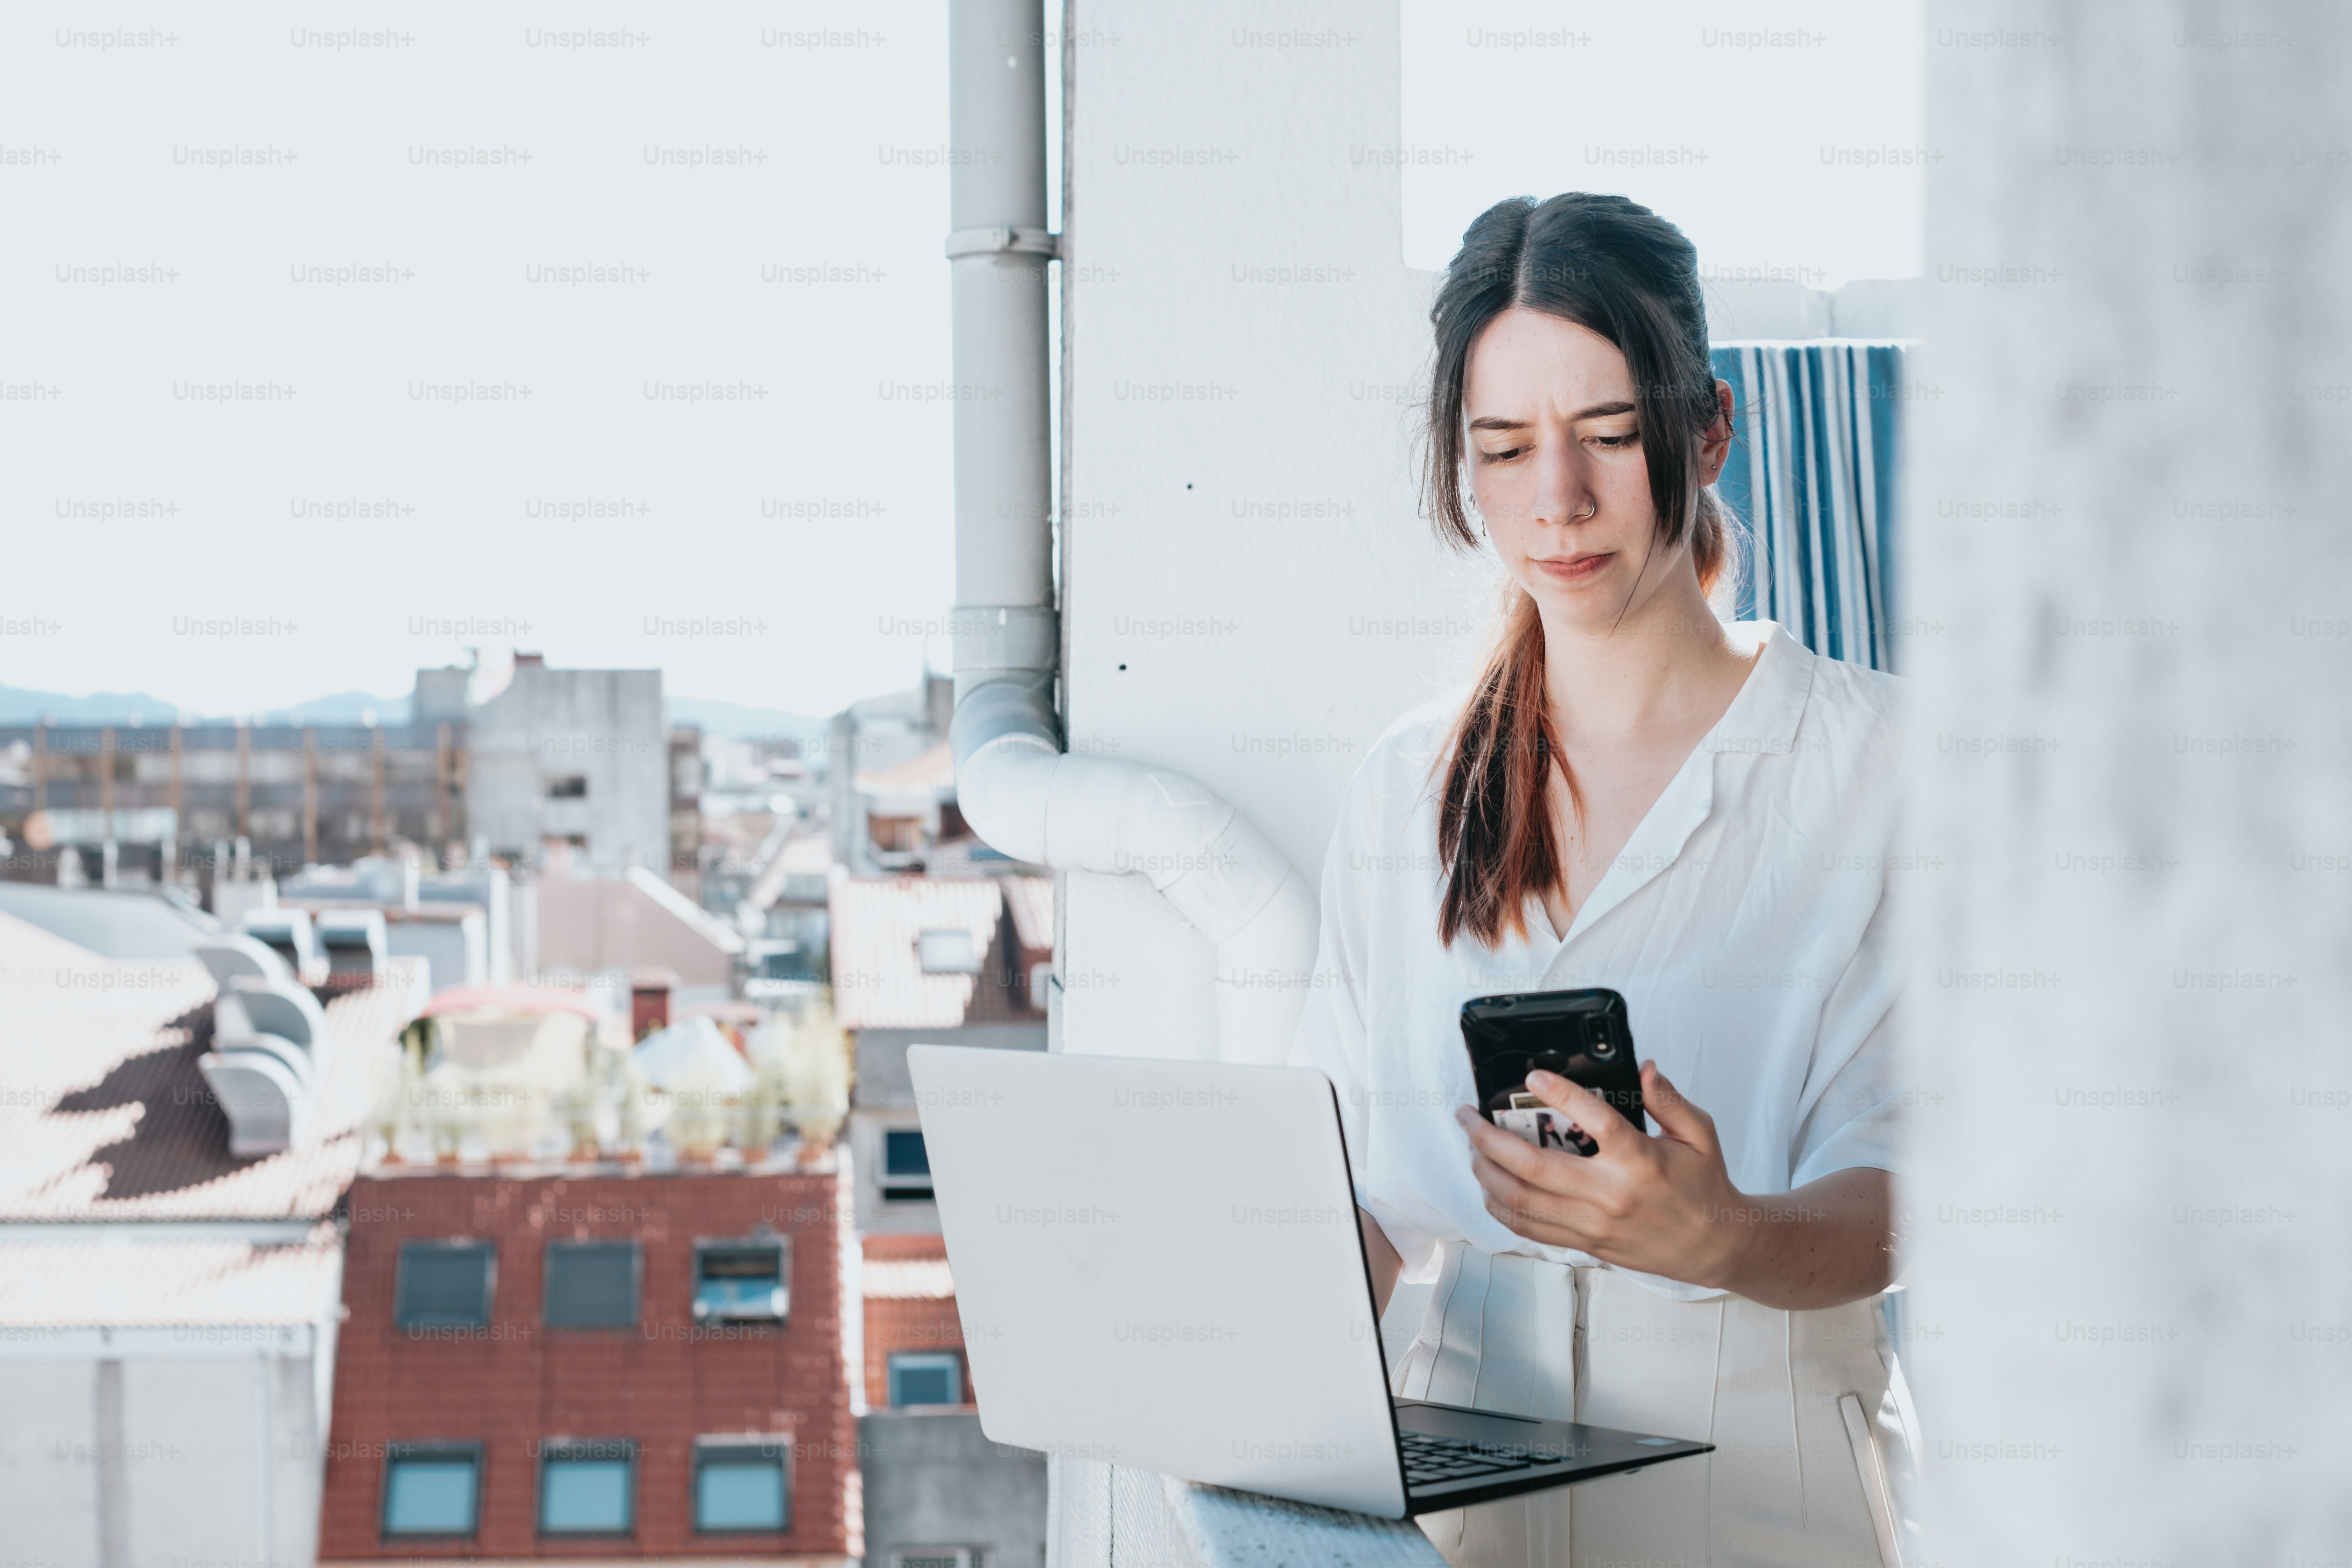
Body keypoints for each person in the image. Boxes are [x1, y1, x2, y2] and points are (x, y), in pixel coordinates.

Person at [1287, 192, 1913, 1568]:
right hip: (1451, 1472)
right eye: (1502, 449)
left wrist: (1725, 1233)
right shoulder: (1406, 785)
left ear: (1708, 428)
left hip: (1756, 1477)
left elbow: (1914, 1196)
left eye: (1609, 438)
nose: (1554, 503)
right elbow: (1349, 1191)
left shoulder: (1887, 765)